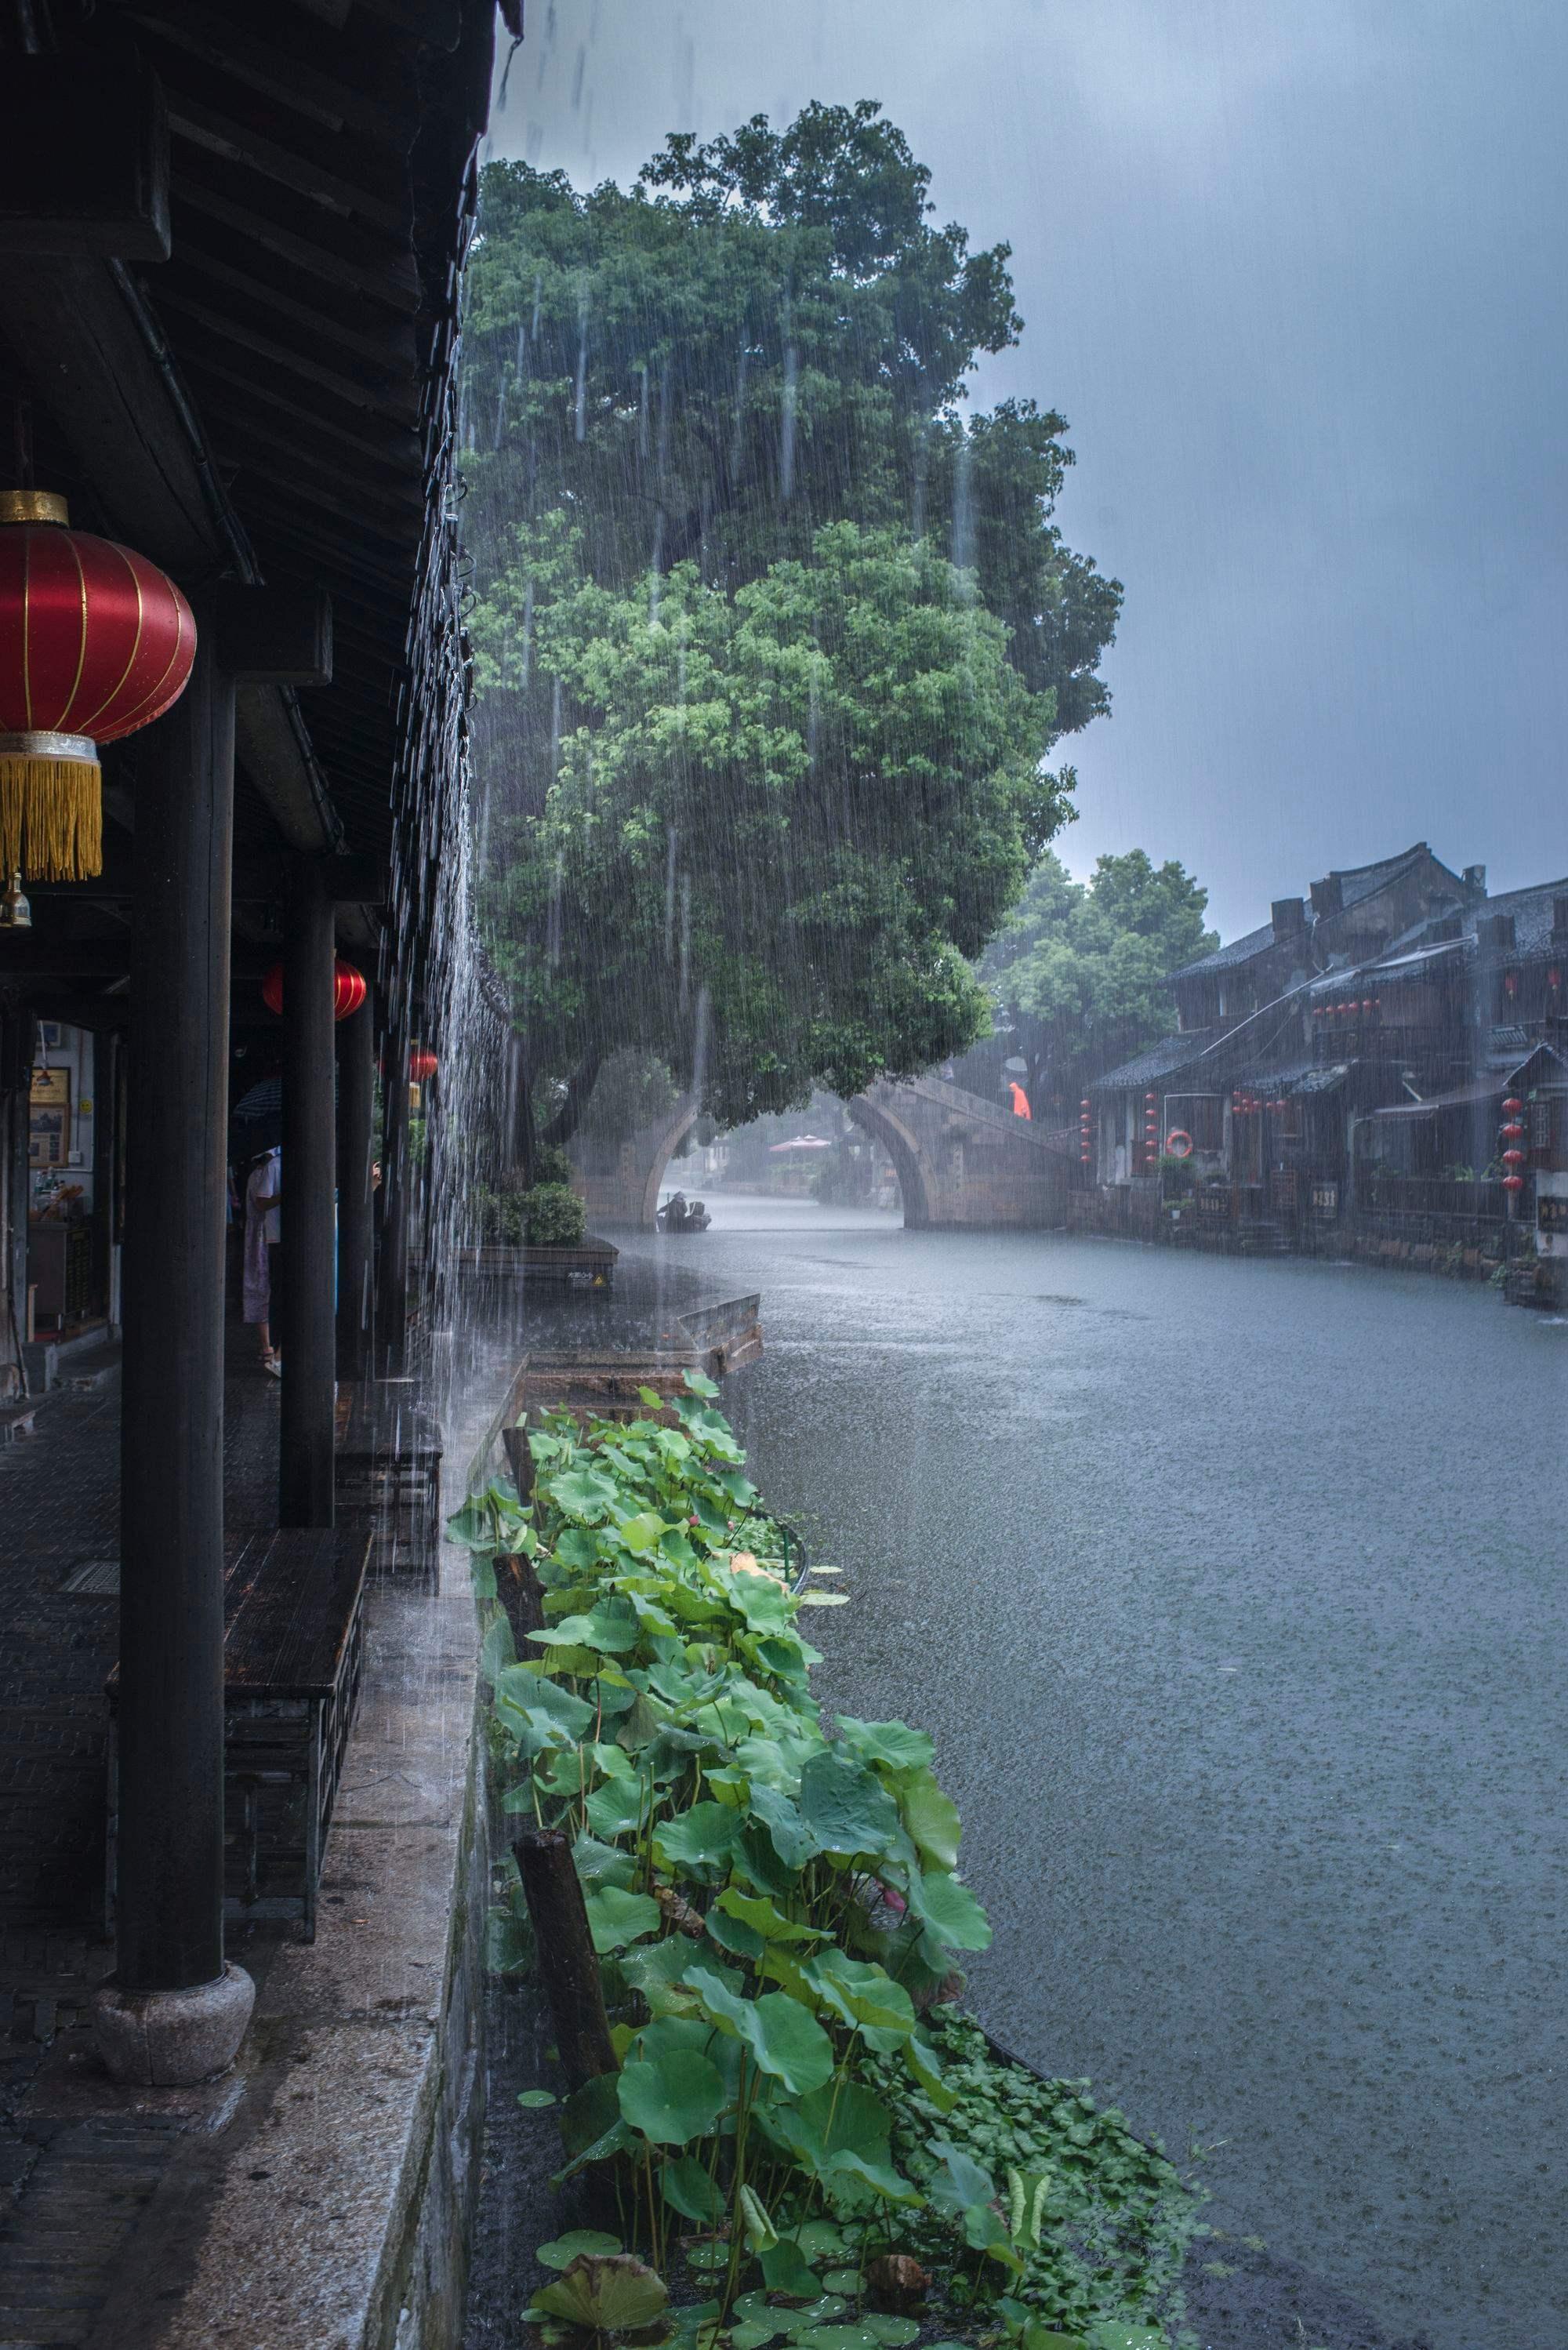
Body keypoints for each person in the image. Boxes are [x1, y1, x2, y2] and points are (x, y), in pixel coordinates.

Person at [243, 1146, 282, 1375]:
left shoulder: (262, 1171)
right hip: (264, 1235)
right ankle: (269, 1346)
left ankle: (268, 1346)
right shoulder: (266, 1172)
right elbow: (261, 1202)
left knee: (264, 1288)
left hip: (263, 1234)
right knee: (264, 1288)